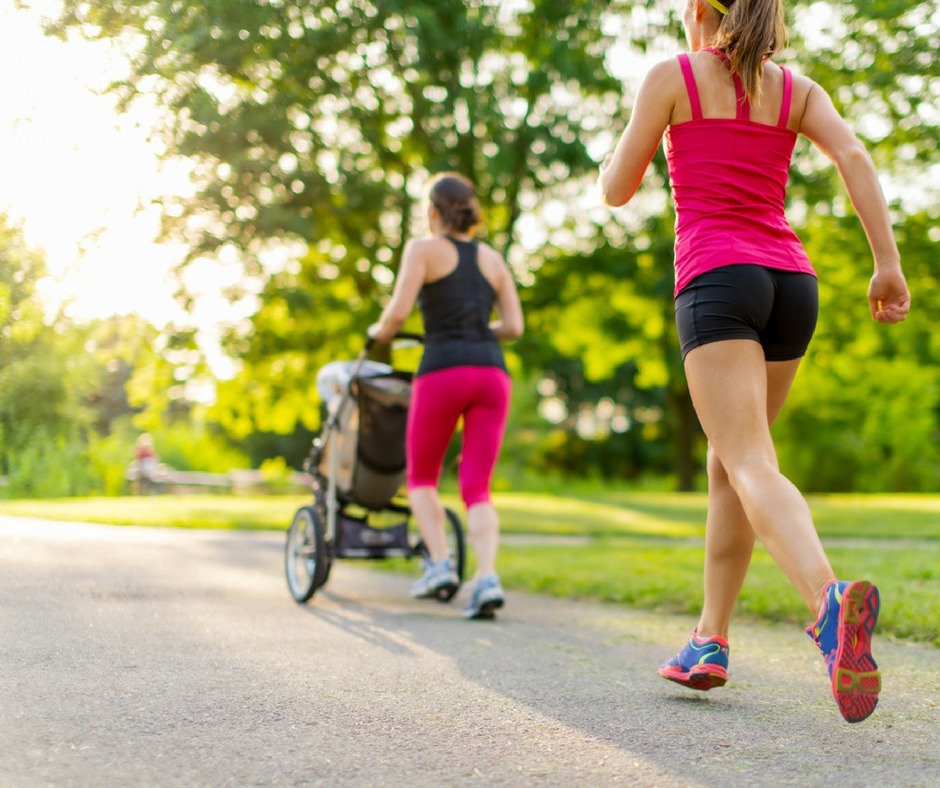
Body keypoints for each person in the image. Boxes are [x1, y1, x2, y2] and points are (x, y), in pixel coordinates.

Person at [598, 0, 909, 722]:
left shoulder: (672, 77)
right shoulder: (797, 89)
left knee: (748, 464)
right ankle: (710, 639)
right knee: (728, 464)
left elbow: (616, 190)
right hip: (791, 285)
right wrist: (886, 265)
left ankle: (830, 607)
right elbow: (855, 157)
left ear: (701, 9)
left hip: (718, 278)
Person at [368, 173, 524, 619]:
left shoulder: (422, 249)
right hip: (492, 374)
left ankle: (439, 565)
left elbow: (397, 314)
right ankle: (487, 577)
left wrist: (377, 333)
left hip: (442, 371)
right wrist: (478, 331)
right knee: (477, 487)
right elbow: (513, 327)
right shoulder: (493, 258)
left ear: (434, 211)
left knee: (421, 476)